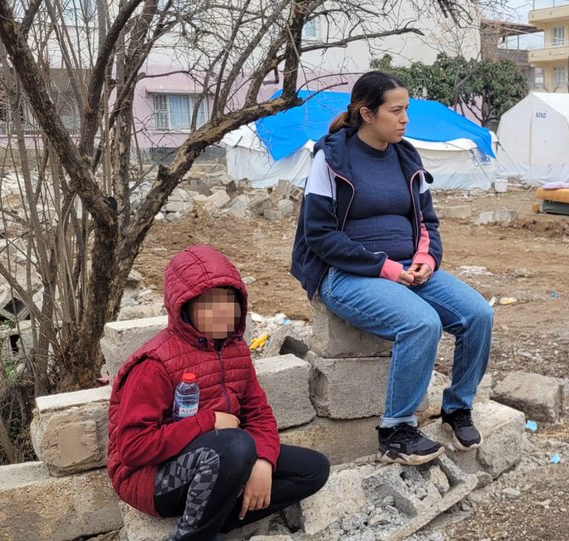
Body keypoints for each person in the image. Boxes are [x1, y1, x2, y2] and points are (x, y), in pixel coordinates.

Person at [290, 71, 494, 466]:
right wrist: (385, 269)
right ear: (367, 113)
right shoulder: (331, 158)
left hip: (406, 267)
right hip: (345, 273)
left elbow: (428, 222)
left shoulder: (406, 156)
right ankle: (396, 431)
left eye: (406, 111)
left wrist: (426, 259)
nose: (405, 120)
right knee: (421, 323)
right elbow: (319, 235)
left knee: (478, 314)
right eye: (396, 111)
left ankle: (456, 410)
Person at [107, 245, 330, 540]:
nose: (223, 312)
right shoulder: (155, 364)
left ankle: (219, 516)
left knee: (313, 469)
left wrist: (263, 463)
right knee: (236, 446)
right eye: (209, 303)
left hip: (220, 458)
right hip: (151, 478)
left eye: (228, 300)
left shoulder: (235, 349)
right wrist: (208, 421)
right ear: (184, 308)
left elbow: (258, 413)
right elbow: (133, 448)